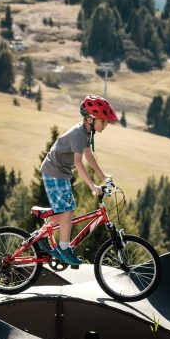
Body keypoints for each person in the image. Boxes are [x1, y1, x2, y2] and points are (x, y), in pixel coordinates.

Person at [40, 95, 119, 265]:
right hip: (55, 172)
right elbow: (78, 162)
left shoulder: (86, 132)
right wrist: (93, 186)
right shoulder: (78, 133)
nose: (105, 125)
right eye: (103, 121)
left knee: (63, 211)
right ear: (90, 119)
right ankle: (63, 248)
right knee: (68, 210)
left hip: (60, 172)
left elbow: (88, 155)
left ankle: (41, 236)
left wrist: (104, 176)